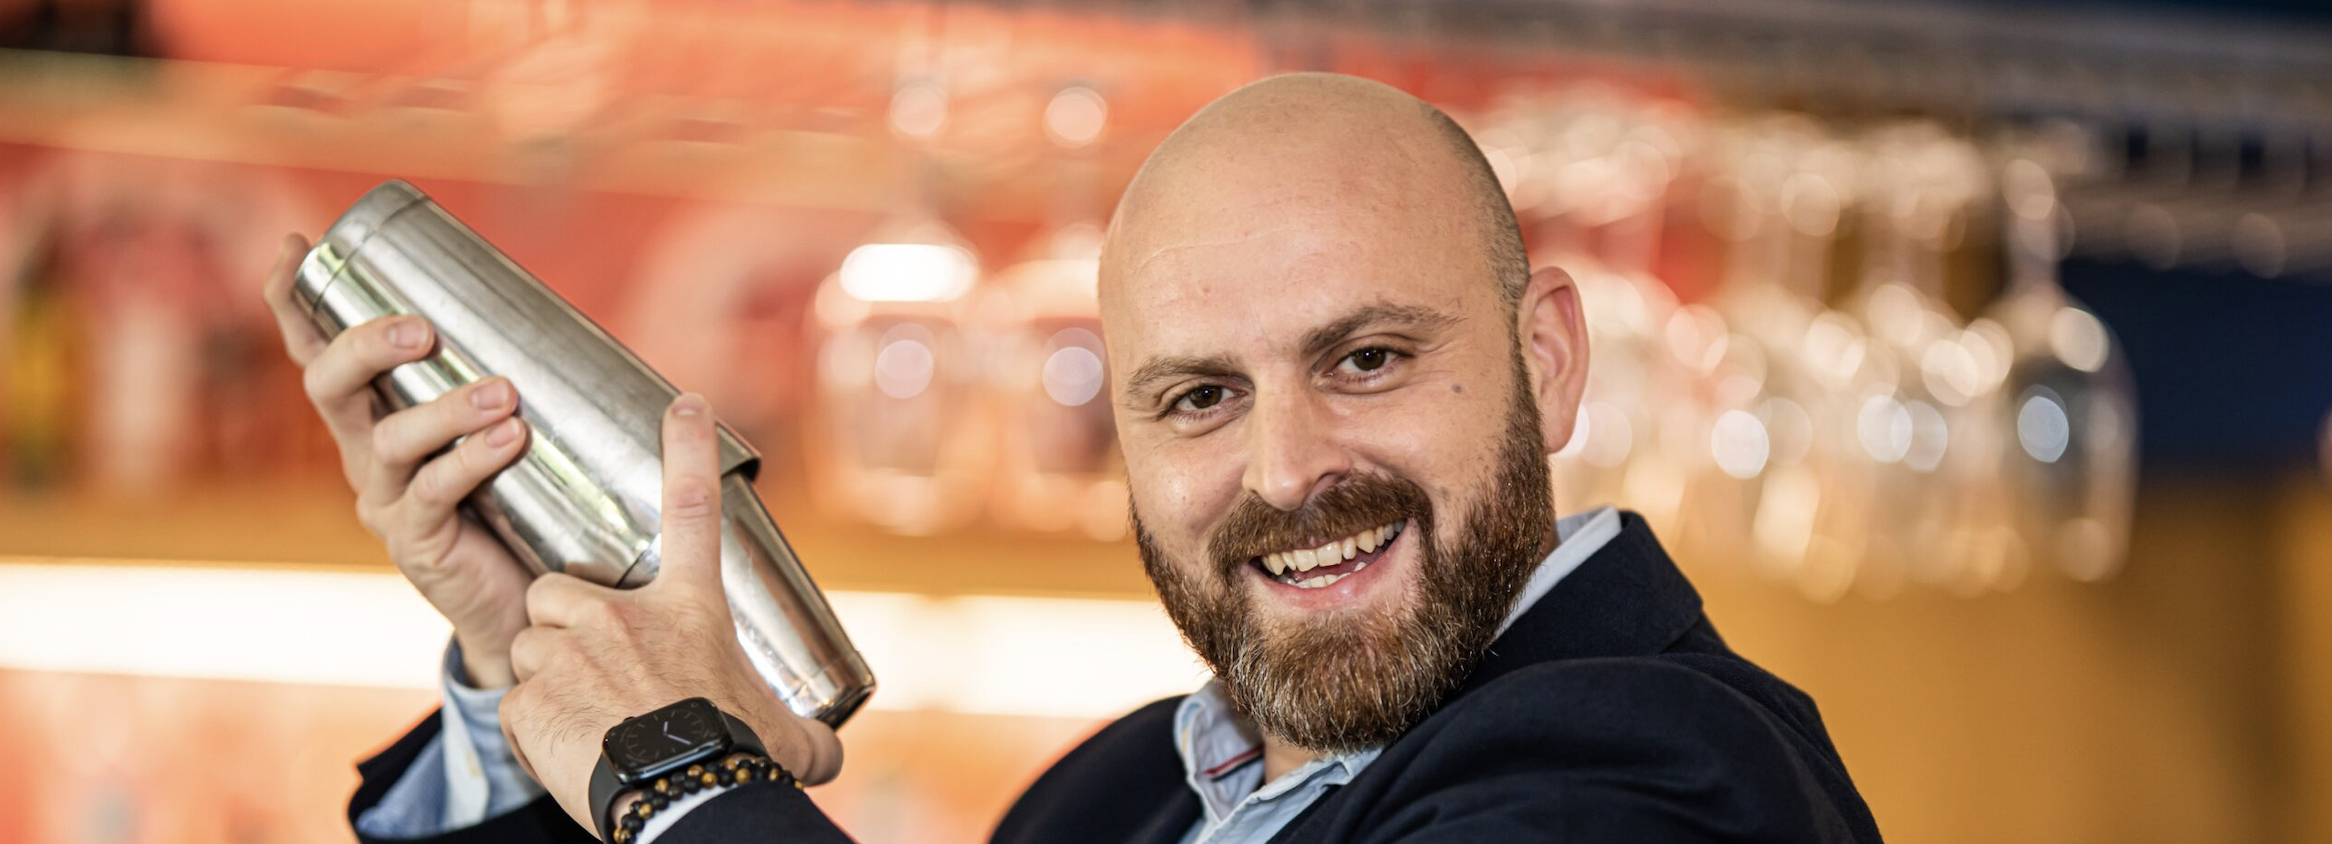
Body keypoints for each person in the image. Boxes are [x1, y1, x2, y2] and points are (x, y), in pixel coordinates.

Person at [262, 72, 1881, 844]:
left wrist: (685, 777)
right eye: (1196, 399)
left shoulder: (1662, 776)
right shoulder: (1112, 804)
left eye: (1368, 360)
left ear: (1547, 362)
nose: (1288, 467)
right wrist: (527, 640)